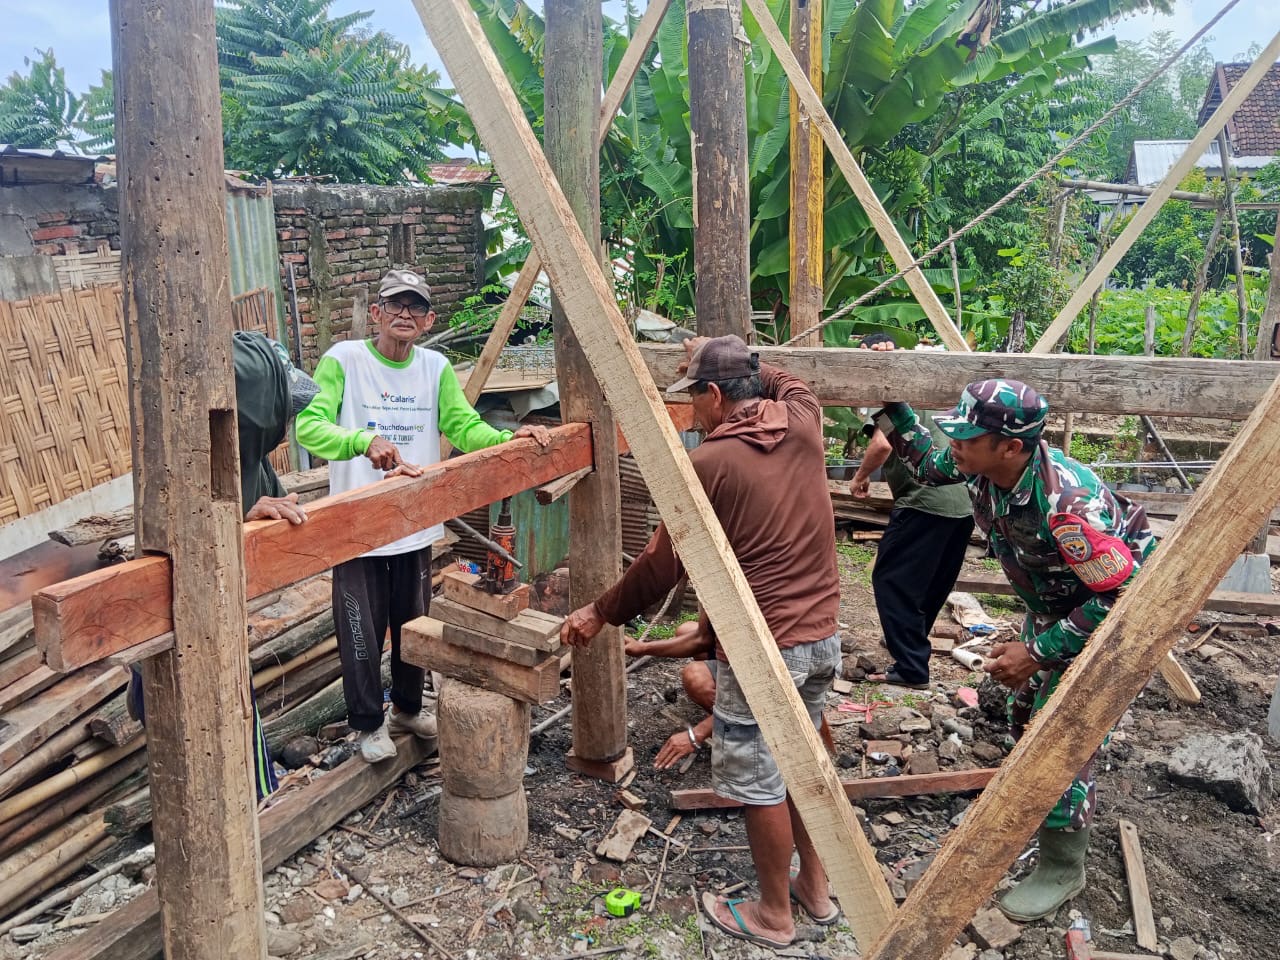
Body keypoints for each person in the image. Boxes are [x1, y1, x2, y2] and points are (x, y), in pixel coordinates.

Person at [561, 335, 842, 949]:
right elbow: (781, 379)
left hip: (765, 647)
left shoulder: (709, 463)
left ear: (715, 395)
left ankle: (773, 914)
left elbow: (660, 565)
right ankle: (816, 890)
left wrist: (600, 612)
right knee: (804, 765)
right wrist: (728, 351)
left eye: (694, 397)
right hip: (823, 636)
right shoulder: (803, 419)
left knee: (762, 781)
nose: (691, 413)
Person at [874, 378, 1154, 921]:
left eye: (966, 437)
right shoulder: (982, 465)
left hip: (1111, 620)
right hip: (1057, 605)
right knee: (1021, 712)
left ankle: (1063, 868)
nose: (955, 445)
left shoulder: (1068, 505)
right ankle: (1034, 811)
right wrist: (894, 406)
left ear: (1010, 446)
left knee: (1061, 735)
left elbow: (1124, 595)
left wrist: (1039, 651)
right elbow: (929, 464)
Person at [296, 268, 550, 764]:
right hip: (358, 528)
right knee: (361, 627)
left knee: (413, 622)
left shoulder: (434, 368)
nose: (404, 314)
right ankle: (368, 723)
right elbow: (310, 426)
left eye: (415, 307)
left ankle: (408, 709)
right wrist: (362, 440)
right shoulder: (344, 360)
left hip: (413, 523)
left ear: (429, 320)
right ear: (376, 313)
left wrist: (506, 439)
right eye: (394, 304)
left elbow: (463, 425)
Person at [128, 330, 319, 799]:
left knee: (231, 731)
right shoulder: (185, 456)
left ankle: (252, 801)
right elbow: (186, 540)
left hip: (221, 631)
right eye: (281, 411)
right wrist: (236, 520)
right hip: (183, 639)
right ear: (255, 409)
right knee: (201, 751)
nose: (286, 426)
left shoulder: (247, 457)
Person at [849, 334, 974, 689]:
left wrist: (860, 477)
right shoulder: (931, 383)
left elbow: (882, 444)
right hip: (962, 505)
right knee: (932, 582)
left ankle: (911, 666)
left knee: (890, 579)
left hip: (923, 501)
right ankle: (907, 640)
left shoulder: (889, 393)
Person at [625, 618, 836, 769]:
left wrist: (697, 733)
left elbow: (764, 691)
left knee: (695, 676)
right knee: (686, 630)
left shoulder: (772, 612)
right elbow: (700, 639)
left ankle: (749, 730)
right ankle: (728, 714)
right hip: (742, 655)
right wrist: (643, 648)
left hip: (767, 672)